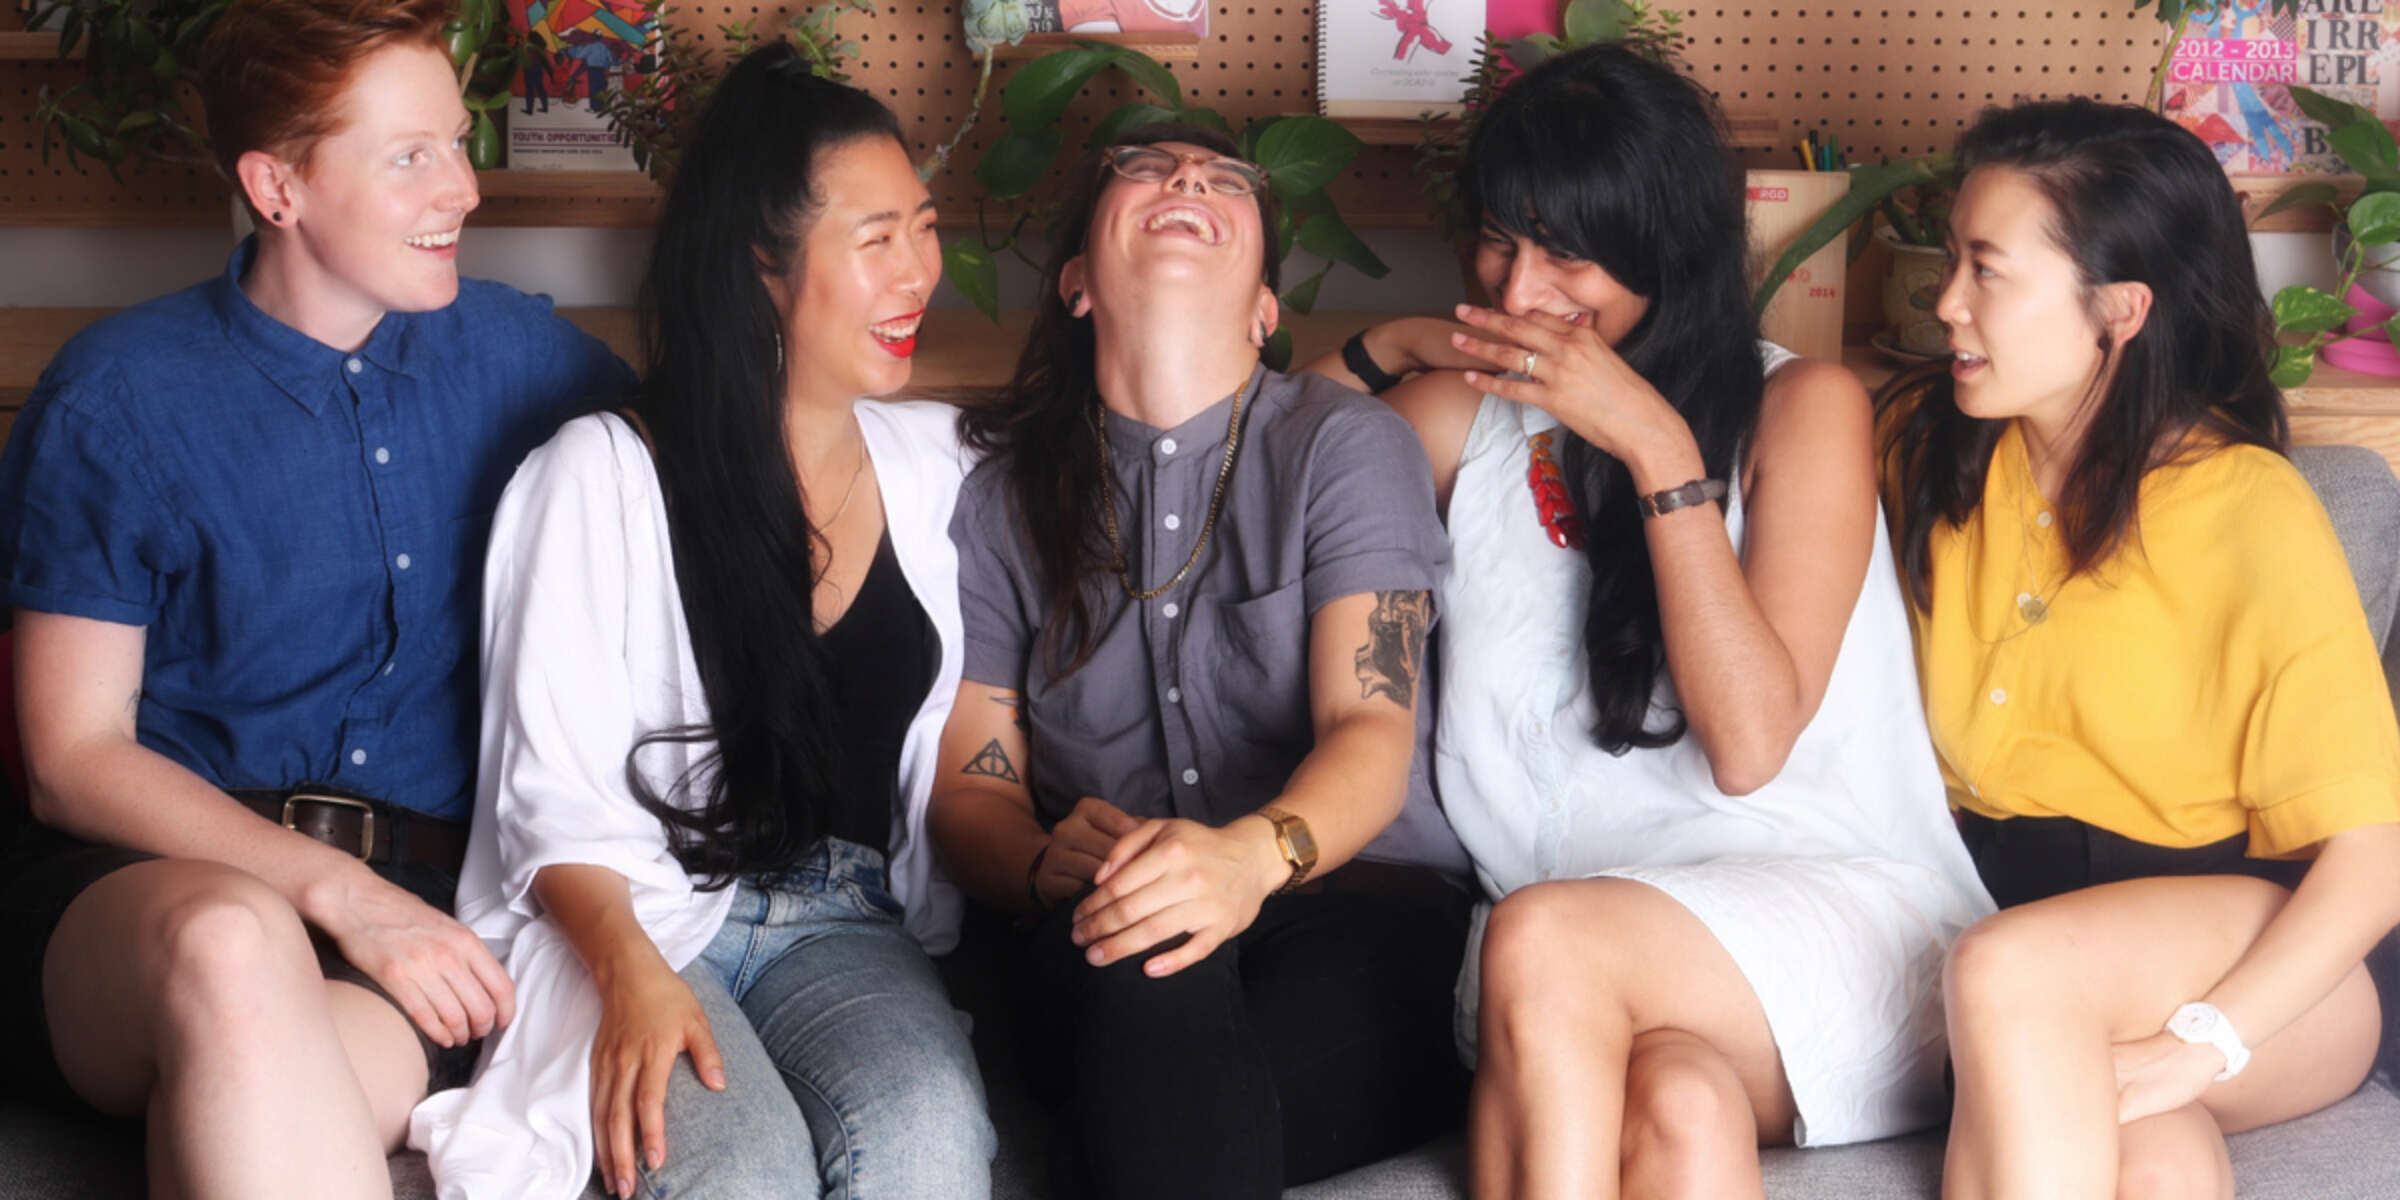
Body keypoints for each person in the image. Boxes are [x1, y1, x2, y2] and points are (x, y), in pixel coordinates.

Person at [1320, 45, 1992, 1198]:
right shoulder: (1466, 425)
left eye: (1569, 252)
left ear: (1664, 258)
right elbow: (1275, 468)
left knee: (1540, 938)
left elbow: (1748, 744)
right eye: (1498, 238)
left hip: (1824, 926)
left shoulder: (1802, 407)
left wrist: (1657, 449)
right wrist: (1400, 344)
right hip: (1591, 986)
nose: (1521, 290)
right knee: (1675, 1108)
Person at [0, 0, 631, 1195]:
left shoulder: (524, 357)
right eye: (410, 158)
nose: (464, 190)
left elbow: (723, 472)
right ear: (275, 187)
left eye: (458, 142)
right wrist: (341, 895)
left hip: (409, 935)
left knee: (265, 1107)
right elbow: (70, 757)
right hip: (136, 902)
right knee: (233, 947)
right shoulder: (117, 396)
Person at [410, 46, 993, 1200]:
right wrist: (629, 974)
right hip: (632, 920)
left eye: (924, 228)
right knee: (742, 1172)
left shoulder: (939, 465)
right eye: (874, 240)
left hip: (847, 920)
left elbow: (1143, 429)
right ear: (762, 269)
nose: (918, 272)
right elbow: (549, 797)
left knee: (929, 1147)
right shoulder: (598, 477)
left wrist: (1386, 353)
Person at [930, 123, 1473, 1198]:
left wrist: (1243, 861)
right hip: (1105, 924)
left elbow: (1370, 729)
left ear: (1267, 311)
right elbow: (970, 786)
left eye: (1226, 180)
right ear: (1077, 280)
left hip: (1355, 910)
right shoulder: (1000, 496)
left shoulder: (1347, 448)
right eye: (1143, 167)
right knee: (1151, 959)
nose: (1186, 178)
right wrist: (1041, 860)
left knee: (1143, 1095)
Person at [1882, 99, 2400, 1200]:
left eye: (1988, 271)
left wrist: (2198, 1045)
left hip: (2250, 959)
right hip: (2010, 939)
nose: (1947, 303)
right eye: (1950, 262)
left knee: (2013, 973)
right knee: (2152, 1166)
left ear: (2120, 308)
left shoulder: (2247, 508)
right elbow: (1738, 391)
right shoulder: (1933, 449)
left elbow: (2375, 857)